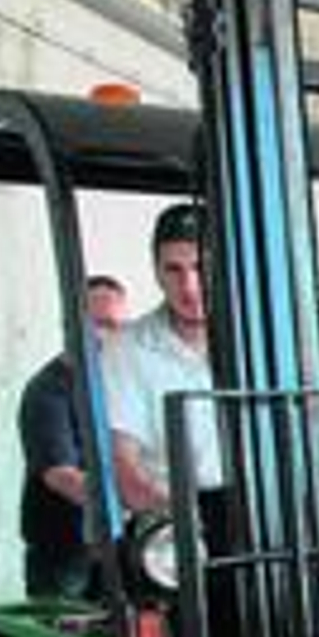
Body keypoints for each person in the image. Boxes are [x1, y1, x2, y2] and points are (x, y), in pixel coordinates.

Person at [101, 202, 220, 512]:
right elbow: (123, 466)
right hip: (173, 520)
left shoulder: (264, 344)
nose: (189, 287)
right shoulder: (125, 351)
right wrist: (181, 522)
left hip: (269, 513)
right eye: (174, 270)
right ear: (156, 272)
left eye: (199, 267)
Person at [16, 275, 126, 597]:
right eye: (100, 324)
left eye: (117, 326)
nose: (110, 336)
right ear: (70, 326)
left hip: (117, 547)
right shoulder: (47, 391)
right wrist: (130, 499)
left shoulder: (119, 384)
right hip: (64, 556)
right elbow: (60, 475)